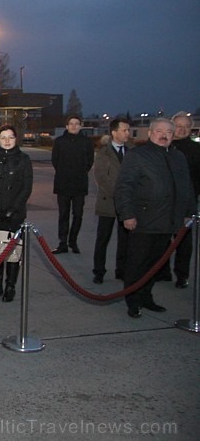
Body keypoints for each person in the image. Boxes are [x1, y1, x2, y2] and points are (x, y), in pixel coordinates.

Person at [114, 118, 194, 318]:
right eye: (159, 131)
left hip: (168, 222)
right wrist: (127, 215)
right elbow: (124, 187)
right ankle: (133, 301)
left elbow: (186, 188)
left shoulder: (178, 157)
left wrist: (187, 214)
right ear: (150, 133)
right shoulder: (138, 155)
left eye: (168, 131)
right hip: (143, 221)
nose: (164, 135)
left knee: (155, 264)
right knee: (137, 264)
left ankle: (146, 297)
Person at [0, 125, 33, 302]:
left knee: (12, 252)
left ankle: (10, 286)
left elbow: (26, 187)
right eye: (3, 137)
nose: (7, 141)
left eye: (10, 137)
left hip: (14, 214)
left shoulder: (24, 159)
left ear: (16, 139)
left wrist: (13, 209)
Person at [92, 118, 132, 284]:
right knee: (103, 239)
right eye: (124, 130)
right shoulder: (103, 153)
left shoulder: (131, 152)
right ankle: (99, 271)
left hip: (127, 205)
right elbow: (101, 177)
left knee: (125, 240)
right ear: (114, 132)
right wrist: (118, 195)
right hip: (108, 201)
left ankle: (121, 270)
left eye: (128, 130)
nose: (127, 133)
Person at [51, 114, 94, 254]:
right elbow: (55, 161)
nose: (74, 126)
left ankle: (73, 241)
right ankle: (62, 243)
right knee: (63, 215)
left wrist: (80, 172)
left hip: (79, 185)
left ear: (81, 125)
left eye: (77, 123)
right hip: (63, 184)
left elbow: (89, 161)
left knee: (77, 214)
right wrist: (64, 172)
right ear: (66, 126)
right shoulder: (59, 142)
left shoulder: (86, 142)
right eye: (71, 123)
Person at [166, 112, 200, 288]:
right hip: (164, 203)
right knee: (161, 241)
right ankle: (161, 272)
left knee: (184, 243)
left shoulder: (196, 149)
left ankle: (182, 275)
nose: (182, 129)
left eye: (186, 126)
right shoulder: (164, 146)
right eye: (179, 126)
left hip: (186, 204)